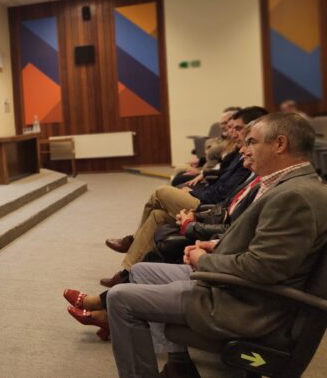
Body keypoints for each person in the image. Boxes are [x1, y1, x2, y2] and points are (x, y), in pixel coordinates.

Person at [104, 112, 327, 377]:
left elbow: (264, 268)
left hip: (246, 306)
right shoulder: (293, 186)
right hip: (239, 291)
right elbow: (264, 249)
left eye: (252, 142)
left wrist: (203, 260)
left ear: (279, 144)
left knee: (121, 299)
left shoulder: (294, 196)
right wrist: (216, 247)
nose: (244, 149)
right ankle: (180, 367)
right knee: (147, 274)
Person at [100, 107, 266, 287]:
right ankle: (126, 272)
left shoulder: (251, 162)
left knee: (161, 192)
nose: (233, 132)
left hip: (211, 206)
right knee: (158, 215)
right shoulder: (240, 152)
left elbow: (222, 192)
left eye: (238, 129)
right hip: (212, 204)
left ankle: (132, 241)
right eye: (230, 127)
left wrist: (195, 197)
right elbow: (222, 184)